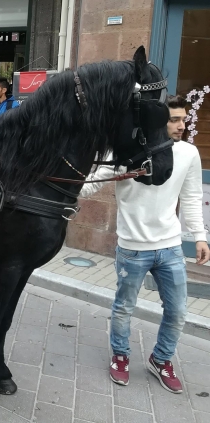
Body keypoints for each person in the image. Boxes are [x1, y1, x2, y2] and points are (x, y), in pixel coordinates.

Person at [81, 95, 210, 393]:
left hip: (170, 247)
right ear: (156, 123)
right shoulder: (129, 152)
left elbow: (190, 197)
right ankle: (120, 356)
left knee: (178, 311)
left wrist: (199, 236)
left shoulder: (189, 153)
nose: (181, 125)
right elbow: (94, 180)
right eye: (174, 120)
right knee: (125, 307)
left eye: (183, 119)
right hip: (133, 248)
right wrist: (62, 197)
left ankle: (161, 360)